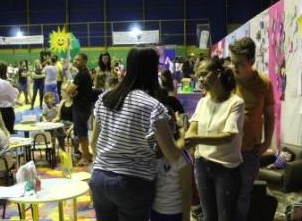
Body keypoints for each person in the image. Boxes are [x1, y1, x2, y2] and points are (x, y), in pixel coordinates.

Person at [90, 47, 182, 221]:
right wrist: (184, 136)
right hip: (133, 183)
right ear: (153, 68)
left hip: (99, 178)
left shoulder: (105, 98)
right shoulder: (152, 106)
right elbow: (172, 154)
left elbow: (93, 144)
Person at [184, 56, 245, 221]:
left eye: (204, 74)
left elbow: (228, 137)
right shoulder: (203, 102)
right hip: (202, 165)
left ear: (218, 73)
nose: (201, 79)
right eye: (198, 75)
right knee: (209, 216)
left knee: (226, 216)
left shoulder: (235, 103)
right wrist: (189, 137)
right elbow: (192, 129)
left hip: (226, 168)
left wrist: (196, 140)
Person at [228, 37, 275, 221]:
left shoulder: (264, 83)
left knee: (244, 194)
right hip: (225, 151)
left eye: (239, 63)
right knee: (225, 193)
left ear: (252, 61)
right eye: (232, 62)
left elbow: (270, 115)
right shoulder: (226, 80)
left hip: (249, 151)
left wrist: (267, 142)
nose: (234, 67)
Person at [66, 53, 94, 166]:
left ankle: (85, 158)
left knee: (81, 133)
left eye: (78, 60)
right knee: (83, 132)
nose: (75, 62)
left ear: (85, 61)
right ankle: (87, 154)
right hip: (84, 106)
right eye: (75, 60)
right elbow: (75, 90)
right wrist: (74, 91)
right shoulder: (85, 73)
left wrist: (71, 89)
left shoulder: (81, 74)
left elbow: (68, 90)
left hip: (81, 108)